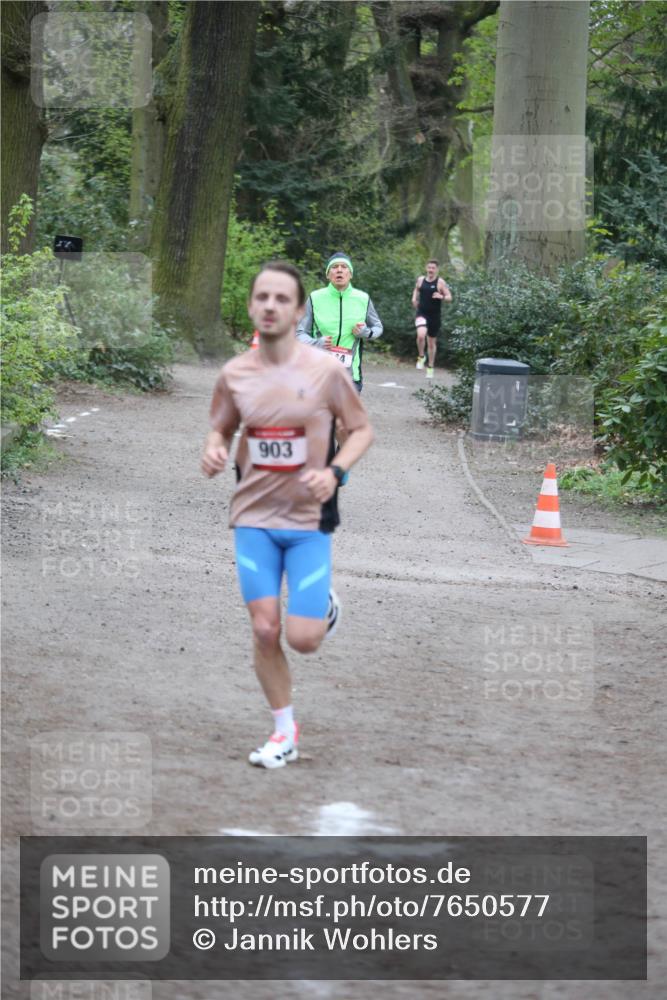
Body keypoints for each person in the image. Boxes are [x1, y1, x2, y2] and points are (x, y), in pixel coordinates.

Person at [201, 261, 374, 769]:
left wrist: (336, 471)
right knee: (263, 629)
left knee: (304, 640)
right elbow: (220, 429)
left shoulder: (326, 372)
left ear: (300, 311)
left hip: (307, 519)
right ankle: (283, 731)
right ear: (252, 307)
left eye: (282, 299)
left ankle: (321, 607)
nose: (271, 306)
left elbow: (361, 431)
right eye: (262, 298)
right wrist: (213, 449)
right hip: (253, 515)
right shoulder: (234, 374)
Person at [296, 252, 383, 394]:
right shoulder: (315, 298)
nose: (339, 270)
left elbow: (378, 327)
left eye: (344, 267)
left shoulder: (362, 299)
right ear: (328, 274)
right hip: (318, 373)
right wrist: (317, 343)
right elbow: (299, 333)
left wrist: (365, 332)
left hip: (350, 376)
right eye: (334, 267)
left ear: (350, 274)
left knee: (342, 416)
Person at [411, 259, 452, 379]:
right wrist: (414, 298)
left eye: (433, 268)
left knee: (431, 343)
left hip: (434, 316)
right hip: (421, 313)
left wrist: (442, 296)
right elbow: (417, 289)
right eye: (429, 267)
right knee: (420, 335)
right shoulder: (420, 280)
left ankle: (430, 366)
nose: (430, 270)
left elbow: (449, 297)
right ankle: (421, 356)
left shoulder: (440, 282)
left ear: (437, 269)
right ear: (426, 268)